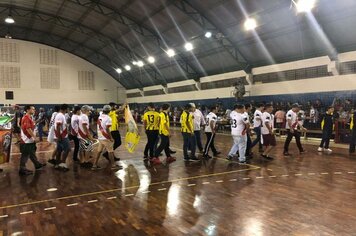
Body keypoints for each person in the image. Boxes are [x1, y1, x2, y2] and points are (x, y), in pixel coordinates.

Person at [19, 105, 46, 175]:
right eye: (32, 109)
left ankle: (37, 165)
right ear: (28, 110)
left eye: (34, 109)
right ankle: (22, 169)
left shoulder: (29, 117)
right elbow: (28, 128)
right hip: (26, 140)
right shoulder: (26, 118)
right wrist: (34, 137)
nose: (34, 110)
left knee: (31, 153)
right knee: (25, 154)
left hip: (29, 140)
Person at [92, 105, 121, 170]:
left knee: (99, 151)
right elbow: (107, 129)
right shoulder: (108, 118)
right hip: (105, 137)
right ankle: (113, 165)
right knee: (110, 151)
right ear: (109, 110)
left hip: (100, 136)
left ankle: (94, 165)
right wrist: (110, 137)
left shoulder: (100, 116)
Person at [54, 104, 70, 171]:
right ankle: (62, 164)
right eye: (68, 109)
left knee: (59, 150)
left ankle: (57, 164)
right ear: (65, 109)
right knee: (67, 149)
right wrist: (59, 136)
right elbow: (58, 126)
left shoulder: (60, 115)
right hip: (62, 136)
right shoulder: (60, 115)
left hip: (61, 135)